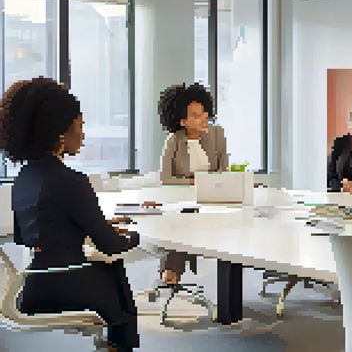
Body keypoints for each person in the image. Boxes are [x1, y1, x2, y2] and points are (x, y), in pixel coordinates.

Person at [0, 77, 140, 352]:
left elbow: (25, 234)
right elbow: (110, 245)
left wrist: (85, 225)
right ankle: (119, 346)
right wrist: (134, 236)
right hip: (68, 281)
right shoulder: (72, 180)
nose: (84, 135)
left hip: (32, 284)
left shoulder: (22, 179)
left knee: (108, 274)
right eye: (81, 126)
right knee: (114, 272)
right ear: (61, 133)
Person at [157, 82, 228, 285]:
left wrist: (210, 184)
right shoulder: (174, 141)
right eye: (196, 115)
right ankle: (171, 270)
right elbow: (165, 178)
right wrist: (193, 181)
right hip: (182, 199)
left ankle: (172, 270)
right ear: (182, 121)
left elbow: (223, 171)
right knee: (182, 220)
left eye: (204, 112)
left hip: (212, 197)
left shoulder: (217, 134)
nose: (203, 118)